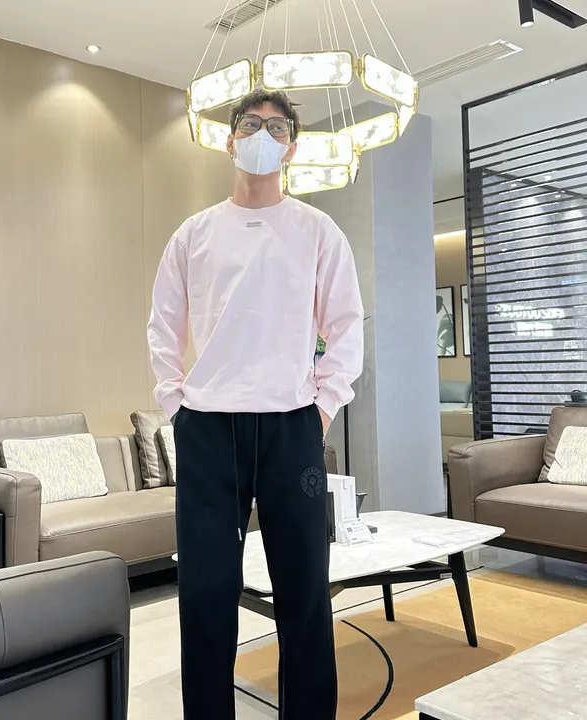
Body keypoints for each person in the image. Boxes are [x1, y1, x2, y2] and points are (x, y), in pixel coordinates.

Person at [148, 88, 364, 720]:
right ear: (229, 139)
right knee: (205, 596)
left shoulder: (317, 231)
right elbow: (163, 328)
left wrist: (323, 407)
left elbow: (346, 325)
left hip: (293, 428)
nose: (263, 136)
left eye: (277, 128)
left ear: (292, 147)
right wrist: (176, 406)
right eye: (251, 124)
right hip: (207, 431)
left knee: (305, 595)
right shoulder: (194, 234)